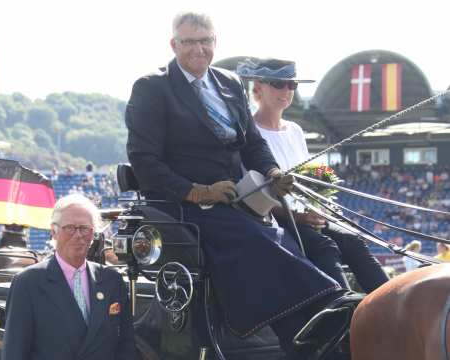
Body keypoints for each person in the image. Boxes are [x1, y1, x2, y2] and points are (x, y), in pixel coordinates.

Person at [125, 11, 347, 358]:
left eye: (206, 41)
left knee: (294, 241)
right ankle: (326, 315)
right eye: (189, 42)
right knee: (262, 244)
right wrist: (196, 190)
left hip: (235, 199)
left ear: (215, 43)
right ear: (174, 45)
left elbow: (252, 143)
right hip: (184, 204)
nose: (198, 49)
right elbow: (144, 160)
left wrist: (273, 173)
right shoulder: (152, 88)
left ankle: (320, 328)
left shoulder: (228, 82)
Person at [237, 58, 389, 293]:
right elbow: (253, 195)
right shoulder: (250, 133)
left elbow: (306, 181)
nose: (286, 91)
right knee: (324, 246)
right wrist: (297, 218)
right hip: (275, 221)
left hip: (307, 217)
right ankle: (343, 312)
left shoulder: (296, 131)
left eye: (292, 85)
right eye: (279, 84)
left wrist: (317, 207)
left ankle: (389, 302)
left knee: (354, 241)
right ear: (258, 87)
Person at [1, 194, 135, 360]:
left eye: (84, 228)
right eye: (70, 228)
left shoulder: (112, 280)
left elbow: (126, 345)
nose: (78, 235)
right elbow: (14, 352)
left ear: (93, 234)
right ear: (53, 232)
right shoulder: (28, 283)